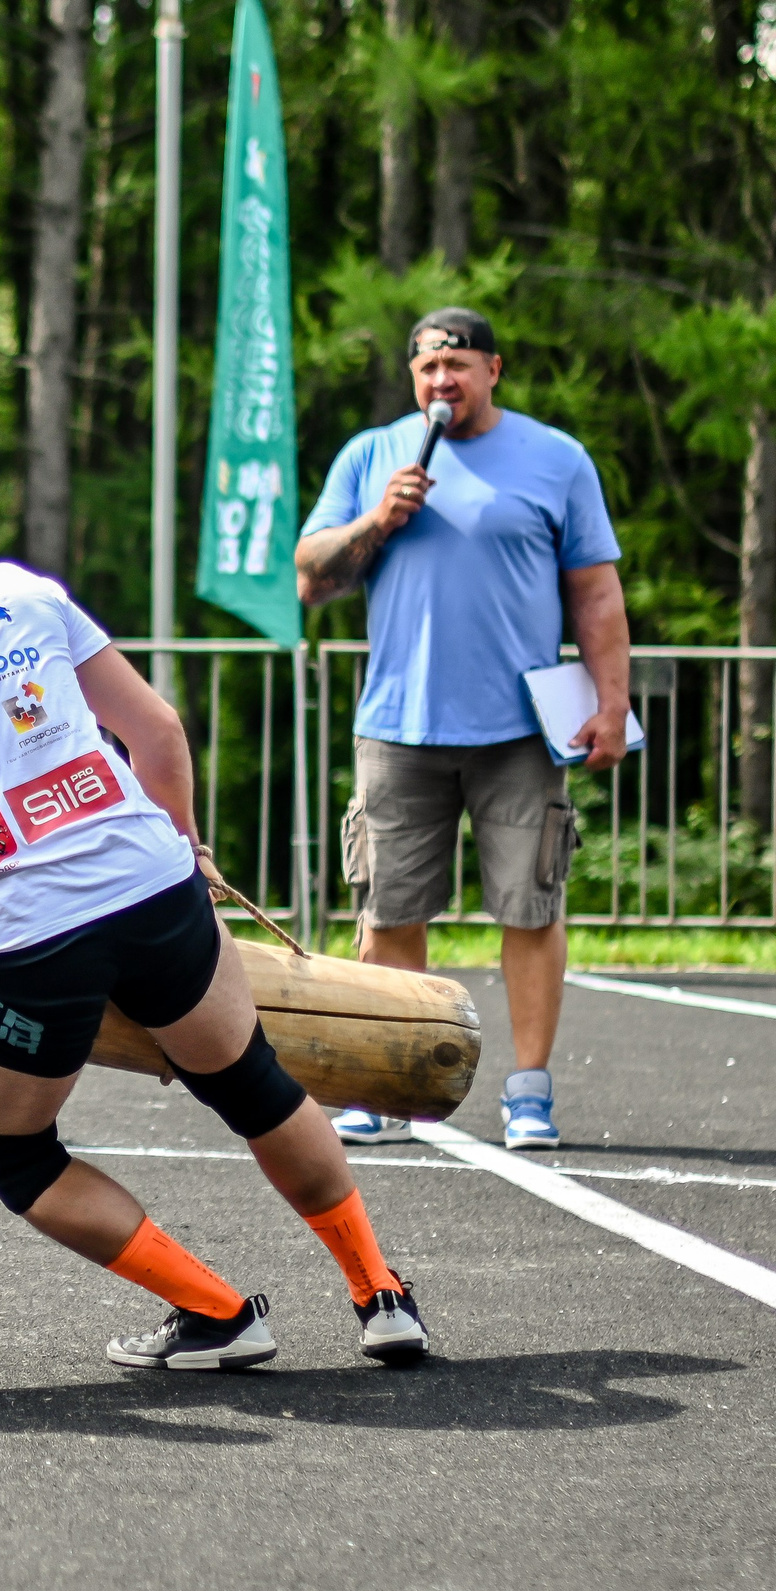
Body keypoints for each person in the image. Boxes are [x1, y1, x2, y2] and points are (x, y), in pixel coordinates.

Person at [0, 472, 427, 1370]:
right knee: (252, 1083)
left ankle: (220, 1313)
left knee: (12, 1154)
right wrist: (187, 852)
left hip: (14, 937)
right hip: (152, 887)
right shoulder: (17, 589)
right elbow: (156, 732)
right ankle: (380, 1292)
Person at [297, 308, 629, 1150]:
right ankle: (386, 1080)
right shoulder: (374, 455)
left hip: (520, 729)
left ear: (494, 369)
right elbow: (311, 579)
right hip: (399, 727)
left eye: (459, 365)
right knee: (389, 909)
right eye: (427, 369)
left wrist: (613, 703)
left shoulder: (557, 458)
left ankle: (528, 1092)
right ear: (413, 380)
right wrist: (377, 521)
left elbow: (595, 590)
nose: (442, 381)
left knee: (530, 906)